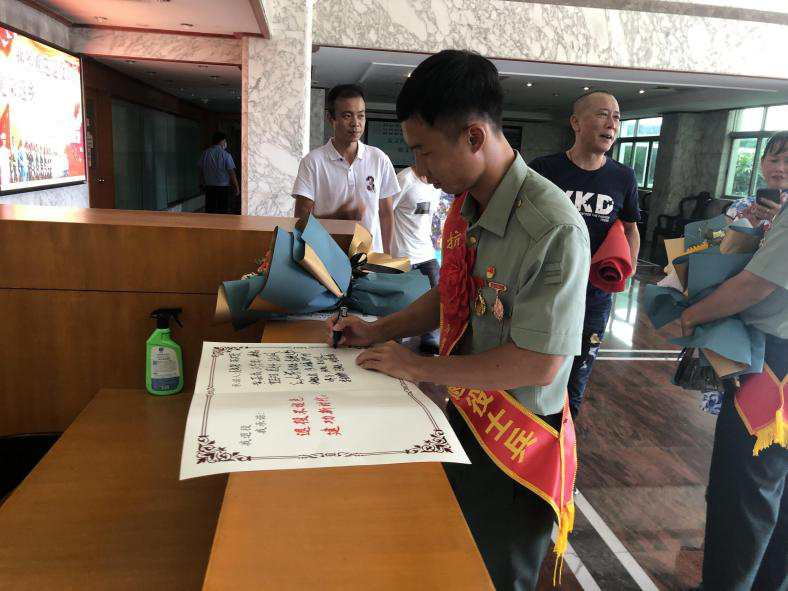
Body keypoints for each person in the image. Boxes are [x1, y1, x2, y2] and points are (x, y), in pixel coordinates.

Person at [327, 50, 590, 590]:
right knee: (450, 557)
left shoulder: (552, 229)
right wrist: (378, 330)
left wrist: (419, 368)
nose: (420, 170)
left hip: (517, 441)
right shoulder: (467, 207)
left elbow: (539, 363)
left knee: (495, 574)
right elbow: (453, 295)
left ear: (474, 137)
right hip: (467, 414)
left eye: (424, 151)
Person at [682, 131, 787, 591]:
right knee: (771, 485)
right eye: (774, 159)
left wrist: (688, 316)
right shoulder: (747, 209)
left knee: (744, 487)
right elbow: (706, 253)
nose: (780, 168)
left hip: (772, 364)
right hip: (764, 353)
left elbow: (753, 286)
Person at [529, 90, 640, 419]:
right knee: (537, 372)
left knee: (576, 379)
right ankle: (529, 435)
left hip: (595, 296)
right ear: (576, 123)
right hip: (546, 290)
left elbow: (630, 227)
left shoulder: (623, 177)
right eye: (603, 114)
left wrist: (628, 268)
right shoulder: (544, 169)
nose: (612, 124)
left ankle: (563, 438)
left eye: (617, 117)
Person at [292, 84, 398, 253]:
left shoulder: (379, 159)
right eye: (347, 116)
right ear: (330, 118)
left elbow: (386, 213)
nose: (356, 123)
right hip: (327, 256)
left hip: (369, 257)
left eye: (361, 116)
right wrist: (334, 219)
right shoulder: (313, 162)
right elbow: (302, 216)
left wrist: (387, 256)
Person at [391, 165, 442, 352]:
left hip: (426, 252)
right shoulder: (405, 179)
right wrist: (386, 250)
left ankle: (431, 339)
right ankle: (394, 338)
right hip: (401, 254)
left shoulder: (437, 184)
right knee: (398, 301)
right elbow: (385, 212)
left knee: (439, 295)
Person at [724, 131, 788, 229]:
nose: (780, 168)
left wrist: (783, 220)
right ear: (762, 163)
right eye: (774, 160)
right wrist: (747, 228)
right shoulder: (740, 207)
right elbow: (723, 239)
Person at [198, 131, 240, 214]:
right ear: (221, 140)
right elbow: (232, 173)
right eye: (225, 141)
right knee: (222, 211)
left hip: (209, 187)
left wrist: (201, 184)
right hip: (223, 188)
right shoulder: (226, 155)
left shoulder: (205, 153)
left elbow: (200, 171)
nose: (225, 143)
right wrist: (237, 187)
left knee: (210, 211)